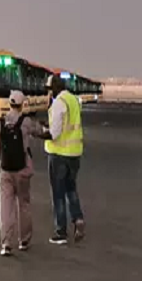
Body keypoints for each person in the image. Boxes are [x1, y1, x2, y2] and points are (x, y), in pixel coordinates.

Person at [0, 90, 47, 256]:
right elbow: (41, 132)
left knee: (5, 207)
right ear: (22, 104)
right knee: (23, 204)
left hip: (5, 170)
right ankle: (24, 240)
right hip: (23, 170)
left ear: (9, 104)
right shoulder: (26, 122)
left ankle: (6, 243)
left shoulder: (1, 122)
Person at [43, 74, 85, 244]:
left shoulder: (59, 102)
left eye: (49, 90)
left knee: (58, 193)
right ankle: (78, 218)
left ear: (54, 88)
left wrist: (40, 132)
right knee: (71, 189)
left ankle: (61, 231)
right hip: (75, 153)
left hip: (59, 154)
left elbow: (55, 133)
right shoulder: (73, 99)